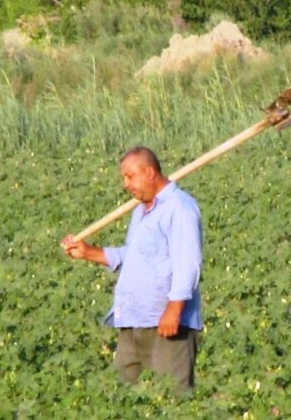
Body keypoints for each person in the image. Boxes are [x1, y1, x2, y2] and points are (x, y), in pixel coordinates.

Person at [60, 146, 203, 393]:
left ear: (149, 172)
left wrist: (174, 309)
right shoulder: (141, 209)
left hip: (166, 323)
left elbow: (187, 263)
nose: (126, 184)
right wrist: (88, 252)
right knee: (122, 397)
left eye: (130, 176)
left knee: (172, 399)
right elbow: (134, 255)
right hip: (133, 319)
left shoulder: (180, 208)